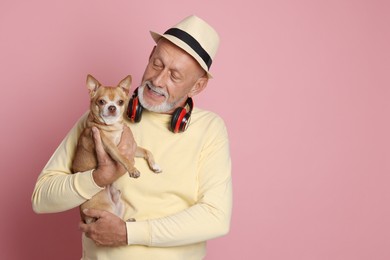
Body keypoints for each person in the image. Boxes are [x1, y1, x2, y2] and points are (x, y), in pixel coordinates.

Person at [32, 15, 232, 260]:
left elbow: (216, 218)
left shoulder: (210, 129)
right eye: (157, 64)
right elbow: (41, 198)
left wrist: (129, 233)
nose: (158, 80)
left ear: (197, 87)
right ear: (149, 57)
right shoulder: (100, 117)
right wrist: (97, 178)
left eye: (175, 76)